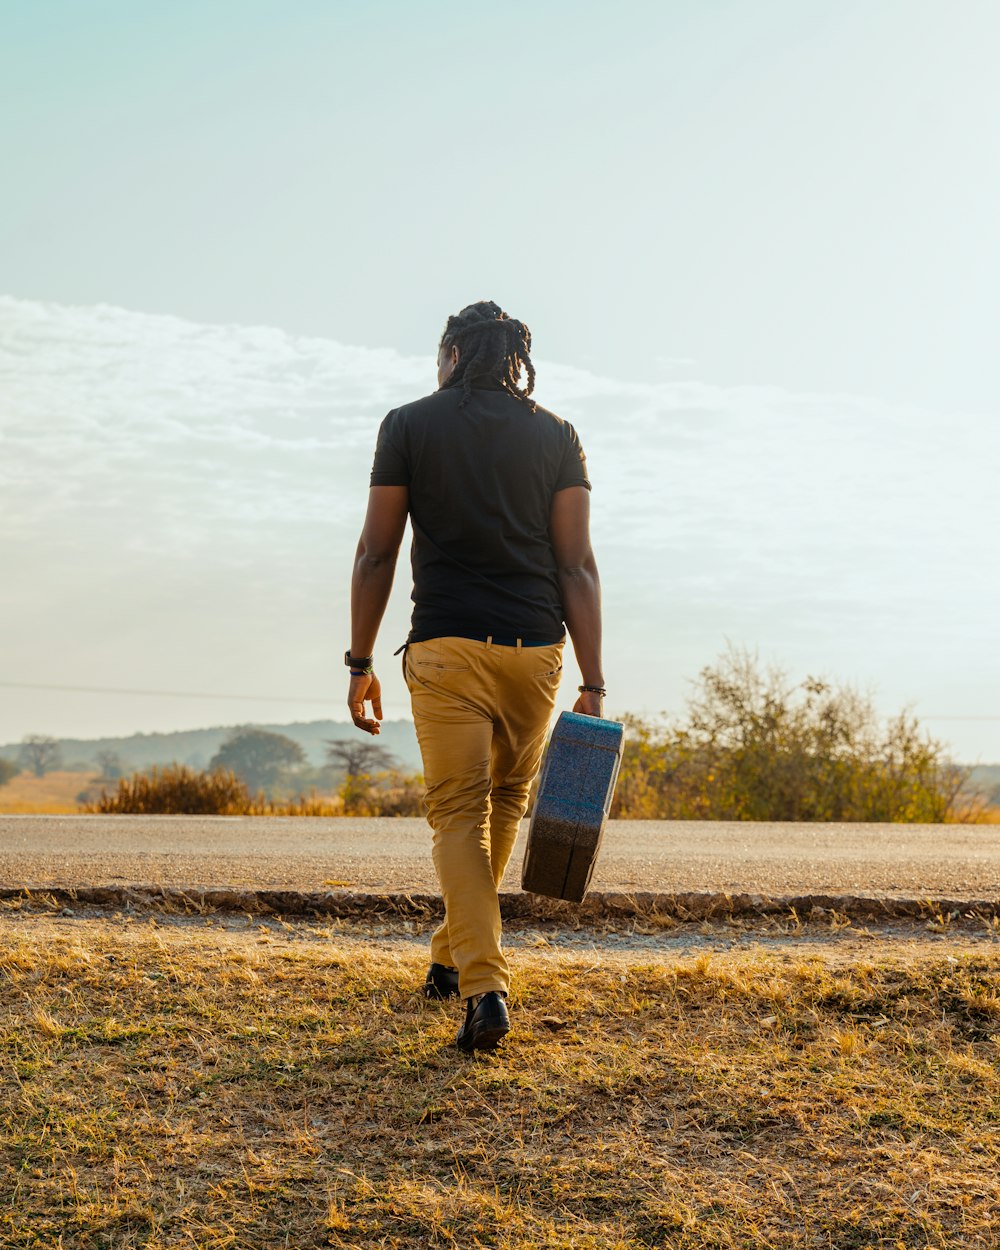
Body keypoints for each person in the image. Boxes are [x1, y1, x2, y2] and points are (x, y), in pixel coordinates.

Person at [347, 300, 604, 1053]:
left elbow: (375, 554)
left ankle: (484, 986)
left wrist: (360, 661)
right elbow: (577, 564)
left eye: (439, 354)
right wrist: (594, 679)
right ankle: (447, 955)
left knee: (458, 815)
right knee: (503, 802)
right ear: (513, 359)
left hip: (446, 650)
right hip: (535, 653)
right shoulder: (557, 435)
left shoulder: (407, 425)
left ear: (454, 354)